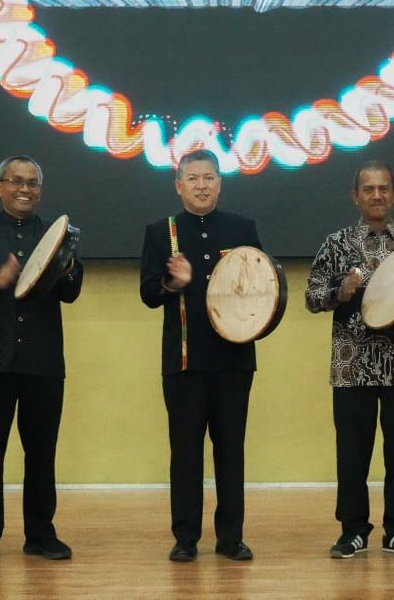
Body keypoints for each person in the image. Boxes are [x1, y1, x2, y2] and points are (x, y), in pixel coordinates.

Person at [0, 155, 83, 564]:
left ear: (40, 190)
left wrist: (61, 270)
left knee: (41, 452)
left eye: (32, 183)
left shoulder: (54, 234)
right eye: (16, 181)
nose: (24, 189)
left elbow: (72, 289)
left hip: (43, 363)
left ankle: (41, 534)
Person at [305, 160, 394, 560]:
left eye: (384, 188)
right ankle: (353, 531)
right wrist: (340, 292)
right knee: (352, 452)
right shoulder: (336, 244)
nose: (377, 195)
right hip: (352, 365)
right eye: (368, 189)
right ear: (356, 196)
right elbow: (311, 297)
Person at [140, 149, 262, 563]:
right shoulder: (161, 232)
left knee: (231, 451)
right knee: (186, 452)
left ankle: (231, 538)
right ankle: (185, 537)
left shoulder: (242, 227)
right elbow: (147, 294)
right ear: (178, 186)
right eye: (192, 179)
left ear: (220, 183)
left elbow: (262, 285)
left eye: (209, 178)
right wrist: (174, 283)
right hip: (184, 362)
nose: (201, 186)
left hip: (234, 360)